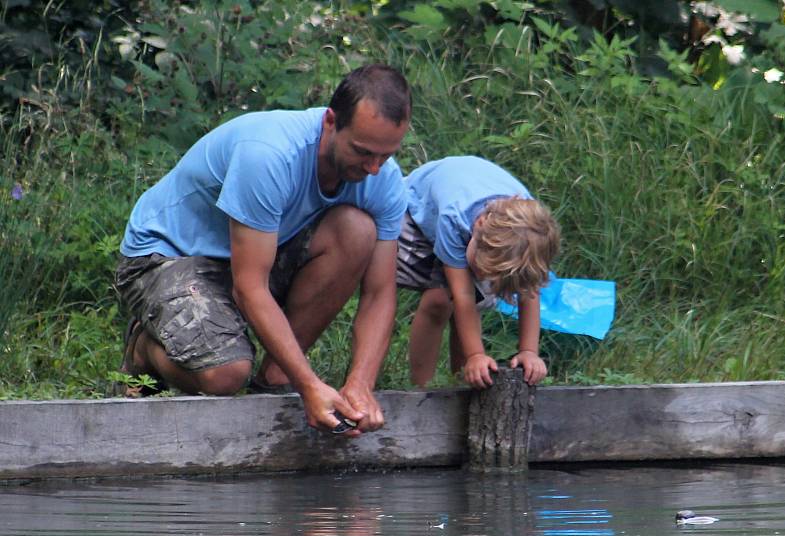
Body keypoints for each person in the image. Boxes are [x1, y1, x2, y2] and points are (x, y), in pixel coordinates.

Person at [115, 64, 412, 436]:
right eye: (362, 151)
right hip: (167, 257)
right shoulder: (269, 155)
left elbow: (380, 293)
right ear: (331, 121)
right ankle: (145, 351)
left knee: (356, 231)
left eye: (385, 156)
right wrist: (310, 384)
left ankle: (275, 377)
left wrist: (361, 385)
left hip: (253, 255)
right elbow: (249, 287)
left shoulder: (383, 178)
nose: (373, 168)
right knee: (226, 375)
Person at [397, 155, 560, 389]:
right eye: (480, 268)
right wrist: (475, 355)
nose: (481, 277)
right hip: (415, 209)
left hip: (470, 211)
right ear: (479, 225)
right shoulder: (455, 218)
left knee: (470, 300)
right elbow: (463, 295)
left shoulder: (530, 240)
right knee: (440, 301)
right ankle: (421, 390)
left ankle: (463, 385)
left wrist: (528, 351)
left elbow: (529, 292)